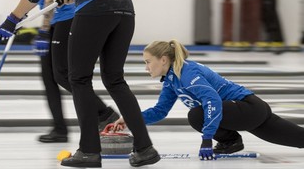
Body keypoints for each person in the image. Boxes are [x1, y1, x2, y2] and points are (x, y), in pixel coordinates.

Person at [0, 0, 160, 168]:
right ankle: (145, 148)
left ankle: (89, 151)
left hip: (96, 8)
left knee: (78, 78)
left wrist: (11, 20)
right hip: (124, 6)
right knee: (115, 80)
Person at [0, 0, 119, 144]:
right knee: (48, 77)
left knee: (61, 74)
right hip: (53, 19)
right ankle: (59, 128)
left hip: (66, 17)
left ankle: (104, 114)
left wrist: (44, 30)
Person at [114, 39, 304, 160]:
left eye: (147, 61)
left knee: (196, 115)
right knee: (299, 139)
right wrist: (129, 119)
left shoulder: (187, 72)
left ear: (163, 59)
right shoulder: (171, 81)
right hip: (245, 113)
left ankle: (231, 142)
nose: (146, 67)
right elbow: (160, 111)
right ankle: (231, 141)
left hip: (248, 109)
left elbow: (212, 101)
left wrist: (206, 140)